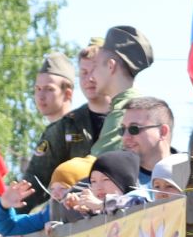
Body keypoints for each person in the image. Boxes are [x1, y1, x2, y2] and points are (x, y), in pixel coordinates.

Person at [16, 43, 104, 211]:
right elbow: (36, 181)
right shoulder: (62, 129)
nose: (41, 96)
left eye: (49, 89)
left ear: (68, 93)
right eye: (37, 89)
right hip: (75, 214)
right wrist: (9, 216)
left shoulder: (122, 114)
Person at [88, 25, 154, 154]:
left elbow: (97, 163)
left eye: (95, 66)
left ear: (110, 66)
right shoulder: (129, 105)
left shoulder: (124, 110)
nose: (91, 76)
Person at [0, 156, 93, 236]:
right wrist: (3, 206)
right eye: (52, 189)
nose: (54, 195)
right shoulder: (50, 214)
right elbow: (9, 228)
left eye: (63, 188)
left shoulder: (100, 206)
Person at [64, 151, 151, 216]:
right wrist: (84, 209)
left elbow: (139, 203)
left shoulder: (139, 198)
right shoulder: (103, 209)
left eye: (105, 179)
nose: (98, 187)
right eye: (93, 181)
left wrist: (100, 205)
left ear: (123, 180)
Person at [119, 96, 176, 184]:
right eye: (122, 129)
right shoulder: (114, 176)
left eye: (134, 129)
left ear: (162, 132)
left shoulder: (191, 176)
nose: (125, 136)